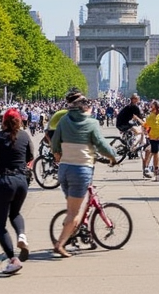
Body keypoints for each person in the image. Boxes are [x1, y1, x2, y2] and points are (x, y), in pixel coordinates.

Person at [51, 91, 117, 258]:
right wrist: (112, 156)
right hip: (80, 170)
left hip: (64, 170)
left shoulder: (64, 120)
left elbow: (54, 142)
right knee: (75, 212)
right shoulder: (92, 123)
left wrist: (58, 154)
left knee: (72, 207)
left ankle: (76, 231)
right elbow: (101, 145)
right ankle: (60, 244)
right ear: (85, 108)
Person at [0, 108, 34, 275]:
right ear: (19, 121)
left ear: (3, 121)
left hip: (4, 181)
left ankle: (13, 260)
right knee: (15, 213)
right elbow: (30, 156)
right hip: (21, 181)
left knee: (0, 225)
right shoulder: (25, 136)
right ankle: (22, 236)